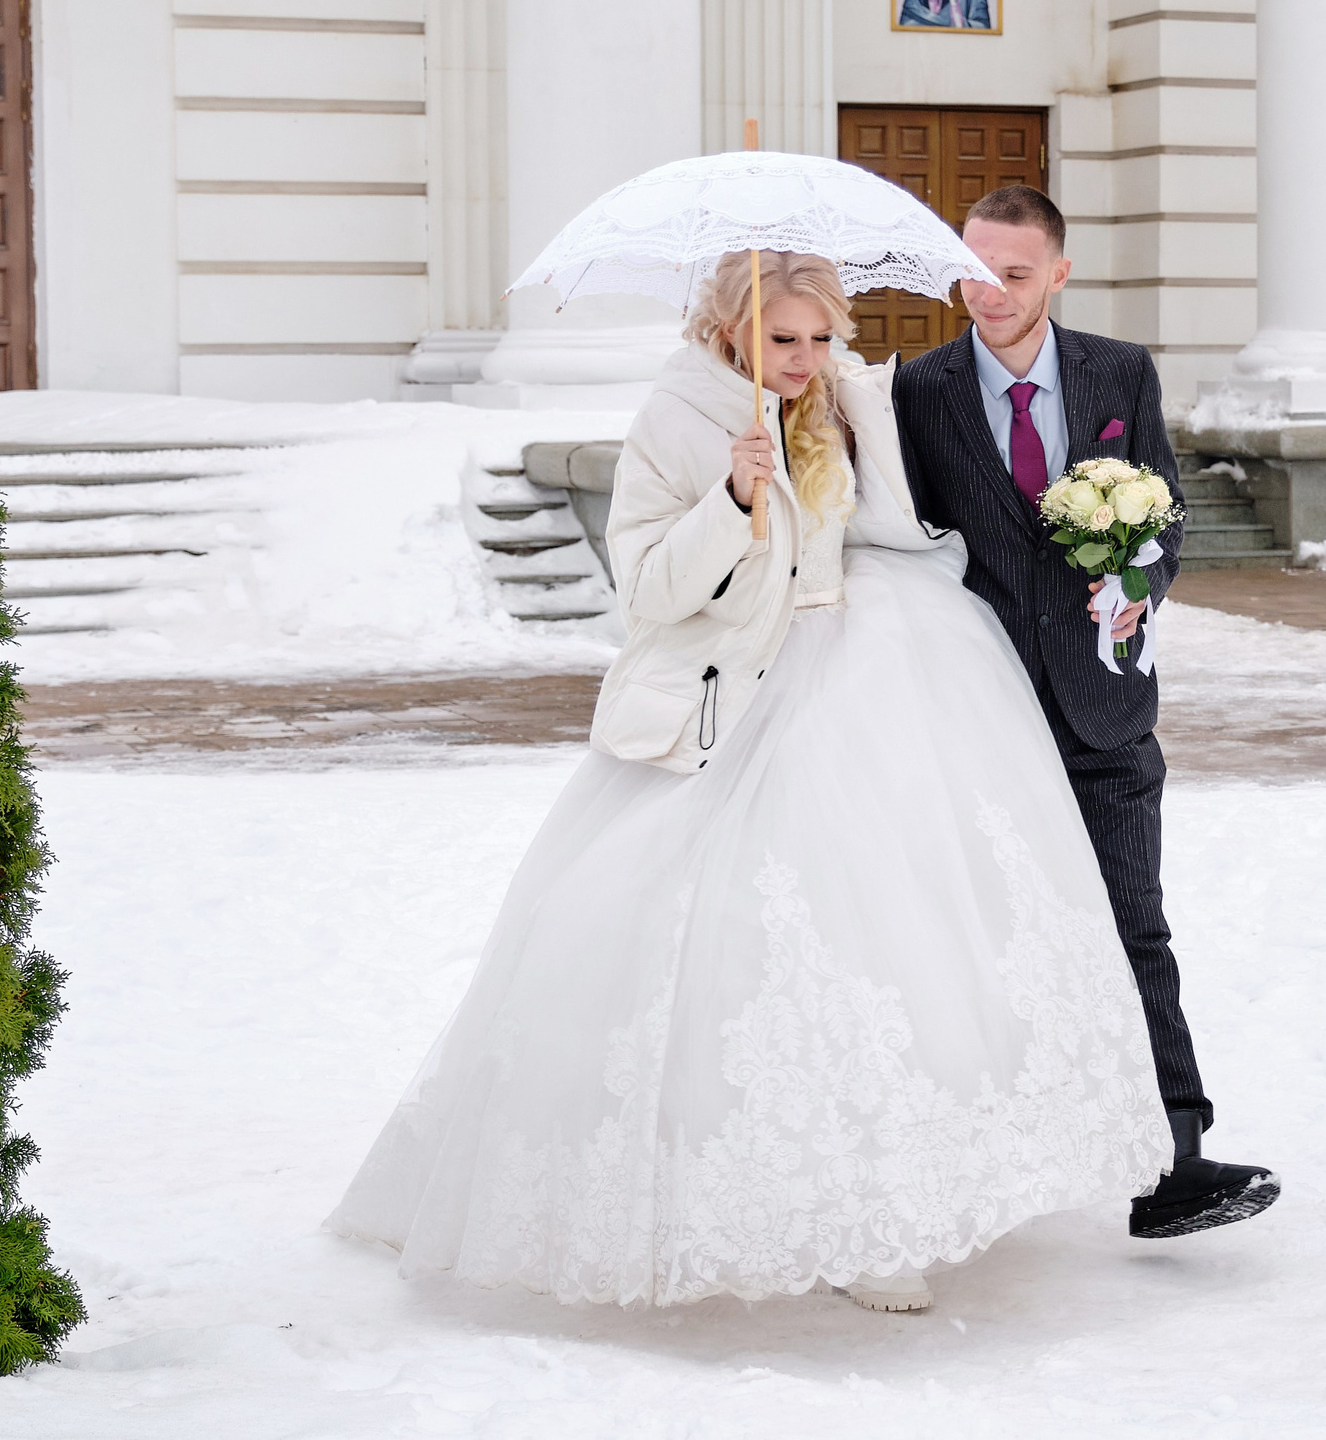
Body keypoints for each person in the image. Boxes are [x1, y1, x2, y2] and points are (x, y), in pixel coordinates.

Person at [325, 251, 1172, 1314]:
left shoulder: (853, 398)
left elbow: (902, 525)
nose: (805, 361)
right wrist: (732, 495)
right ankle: (757, 1204)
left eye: (821, 339)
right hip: (736, 695)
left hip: (875, 674)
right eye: (783, 341)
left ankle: (884, 1208)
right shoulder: (678, 420)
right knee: (734, 946)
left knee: (896, 936)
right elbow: (646, 589)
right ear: (732, 330)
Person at [894, 185, 1280, 1239]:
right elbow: (906, 540)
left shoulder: (1120, 371)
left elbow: (1164, 507)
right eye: (971, 270)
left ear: (1057, 273)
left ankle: (1174, 1161)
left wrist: (1140, 585)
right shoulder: (915, 391)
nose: (989, 293)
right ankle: (973, 1158)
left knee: (1132, 928)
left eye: (1014, 274)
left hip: (1106, 707)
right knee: (983, 943)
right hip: (981, 713)